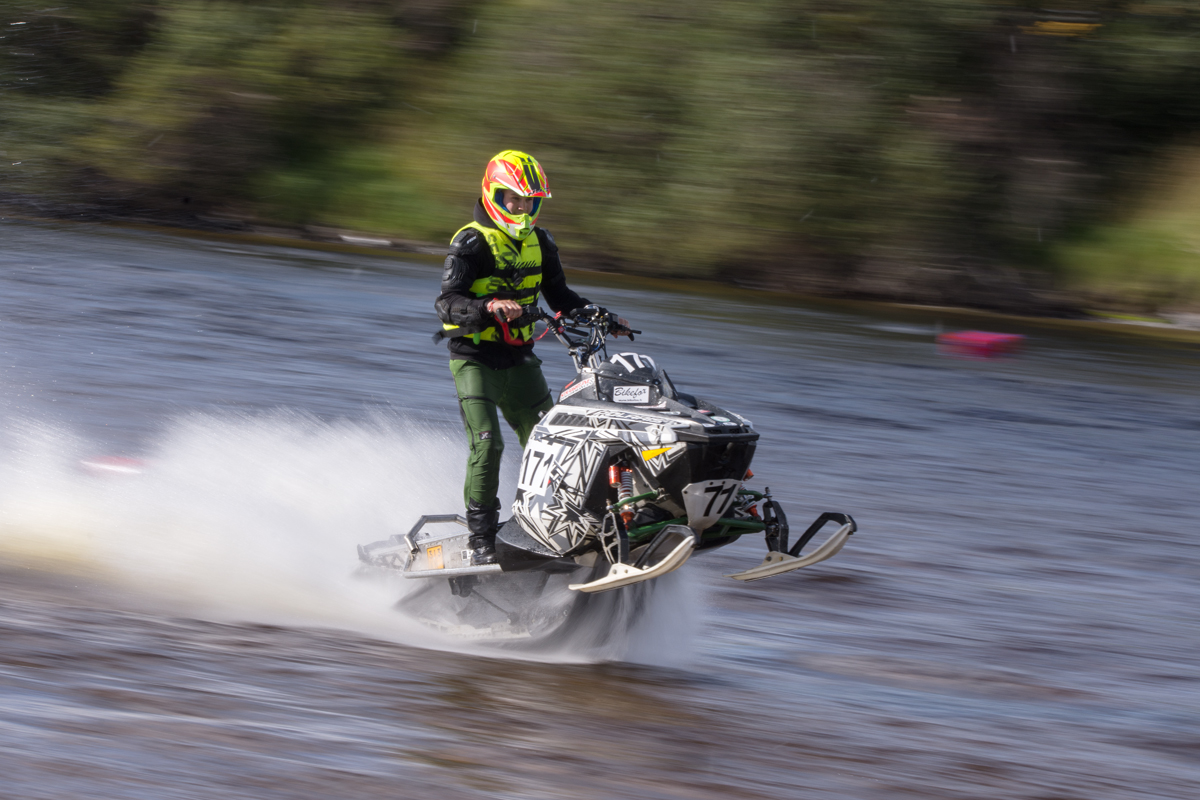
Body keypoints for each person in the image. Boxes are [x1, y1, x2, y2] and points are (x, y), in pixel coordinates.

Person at [435, 150, 627, 566]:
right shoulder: (470, 242)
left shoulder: (542, 242)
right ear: (494, 195)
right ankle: (481, 538)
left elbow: (560, 297)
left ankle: (567, 522)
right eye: (514, 199)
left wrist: (602, 315)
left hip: (520, 358)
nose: (522, 208)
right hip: (474, 359)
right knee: (488, 443)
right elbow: (447, 303)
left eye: (530, 201)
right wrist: (488, 308)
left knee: (556, 442)